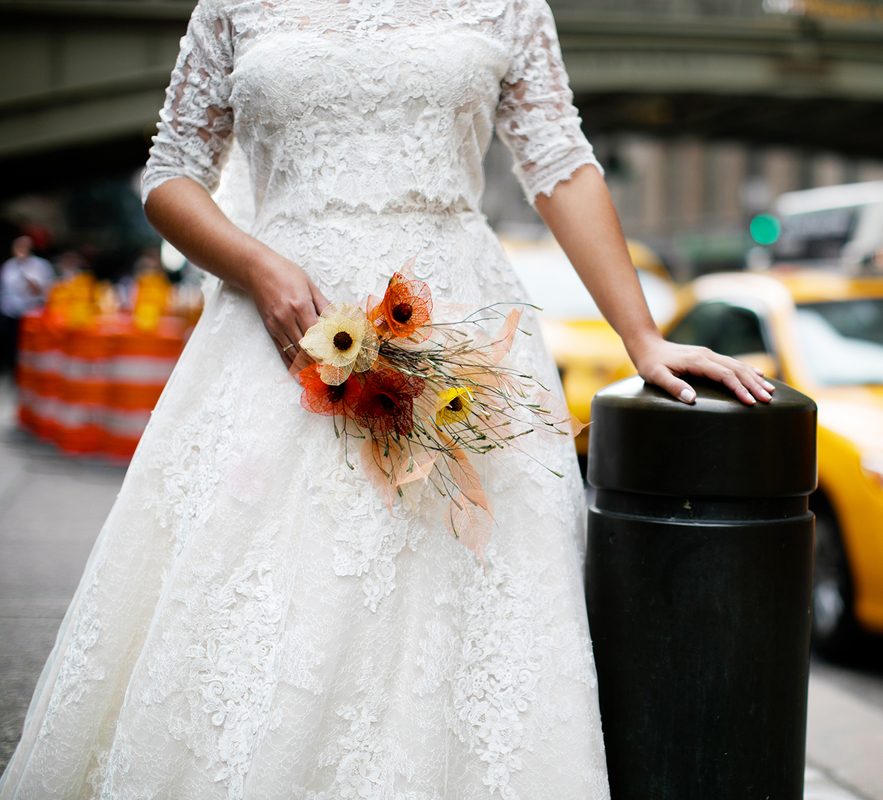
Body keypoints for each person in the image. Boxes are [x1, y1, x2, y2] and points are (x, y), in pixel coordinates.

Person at [0, 2, 772, 798]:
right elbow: (171, 174)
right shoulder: (231, 5)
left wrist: (641, 336)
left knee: (457, 630)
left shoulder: (510, 5)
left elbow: (559, 164)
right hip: (277, 352)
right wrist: (259, 267)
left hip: (457, 353)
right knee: (261, 614)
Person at [0, 235, 55, 375]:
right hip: (10, 314)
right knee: (10, 347)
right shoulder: (8, 266)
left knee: (31, 349)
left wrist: (24, 271)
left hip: (31, 315)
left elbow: (42, 290)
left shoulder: (40, 265)